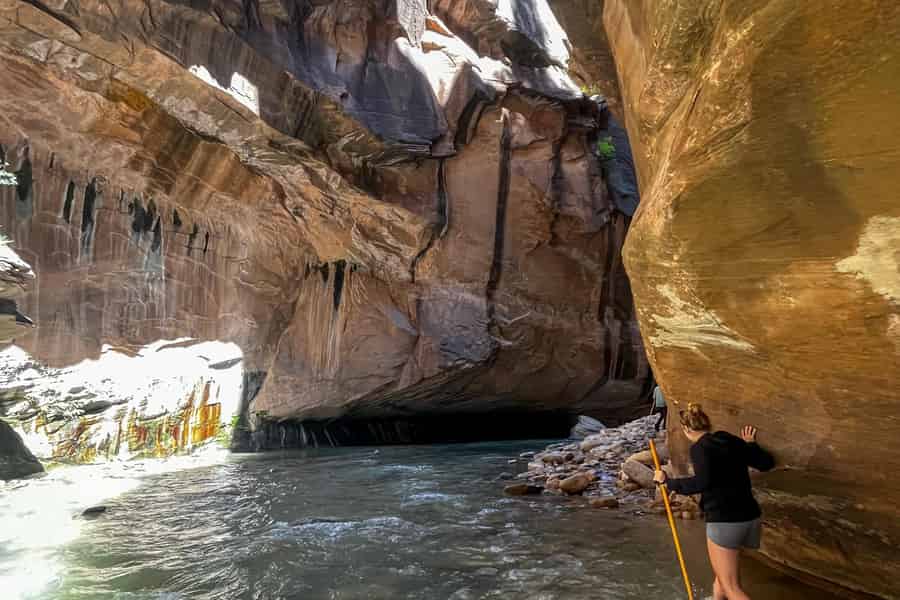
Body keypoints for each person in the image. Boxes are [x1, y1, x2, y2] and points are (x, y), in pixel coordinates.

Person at [653, 403, 774, 600]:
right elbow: (766, 463)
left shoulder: (699, 449)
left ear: (686, 428)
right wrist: (750, 445)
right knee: (721, 579)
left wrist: (668, 482)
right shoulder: (728, 439)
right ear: (707, 423)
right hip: (750, 517)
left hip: (724, 521)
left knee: (731, 587)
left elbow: (702, 483)